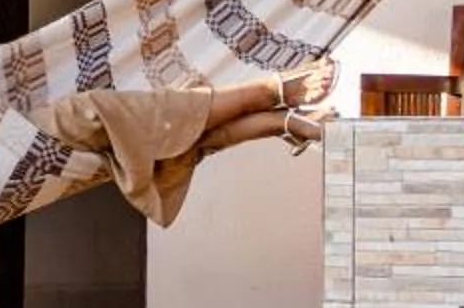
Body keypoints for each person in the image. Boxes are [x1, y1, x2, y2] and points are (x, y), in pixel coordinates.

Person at [41, 59, 336, 228]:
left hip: (2, 126)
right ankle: (267, 96)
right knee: (91, 116)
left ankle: (278, 119)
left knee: (162, 141)